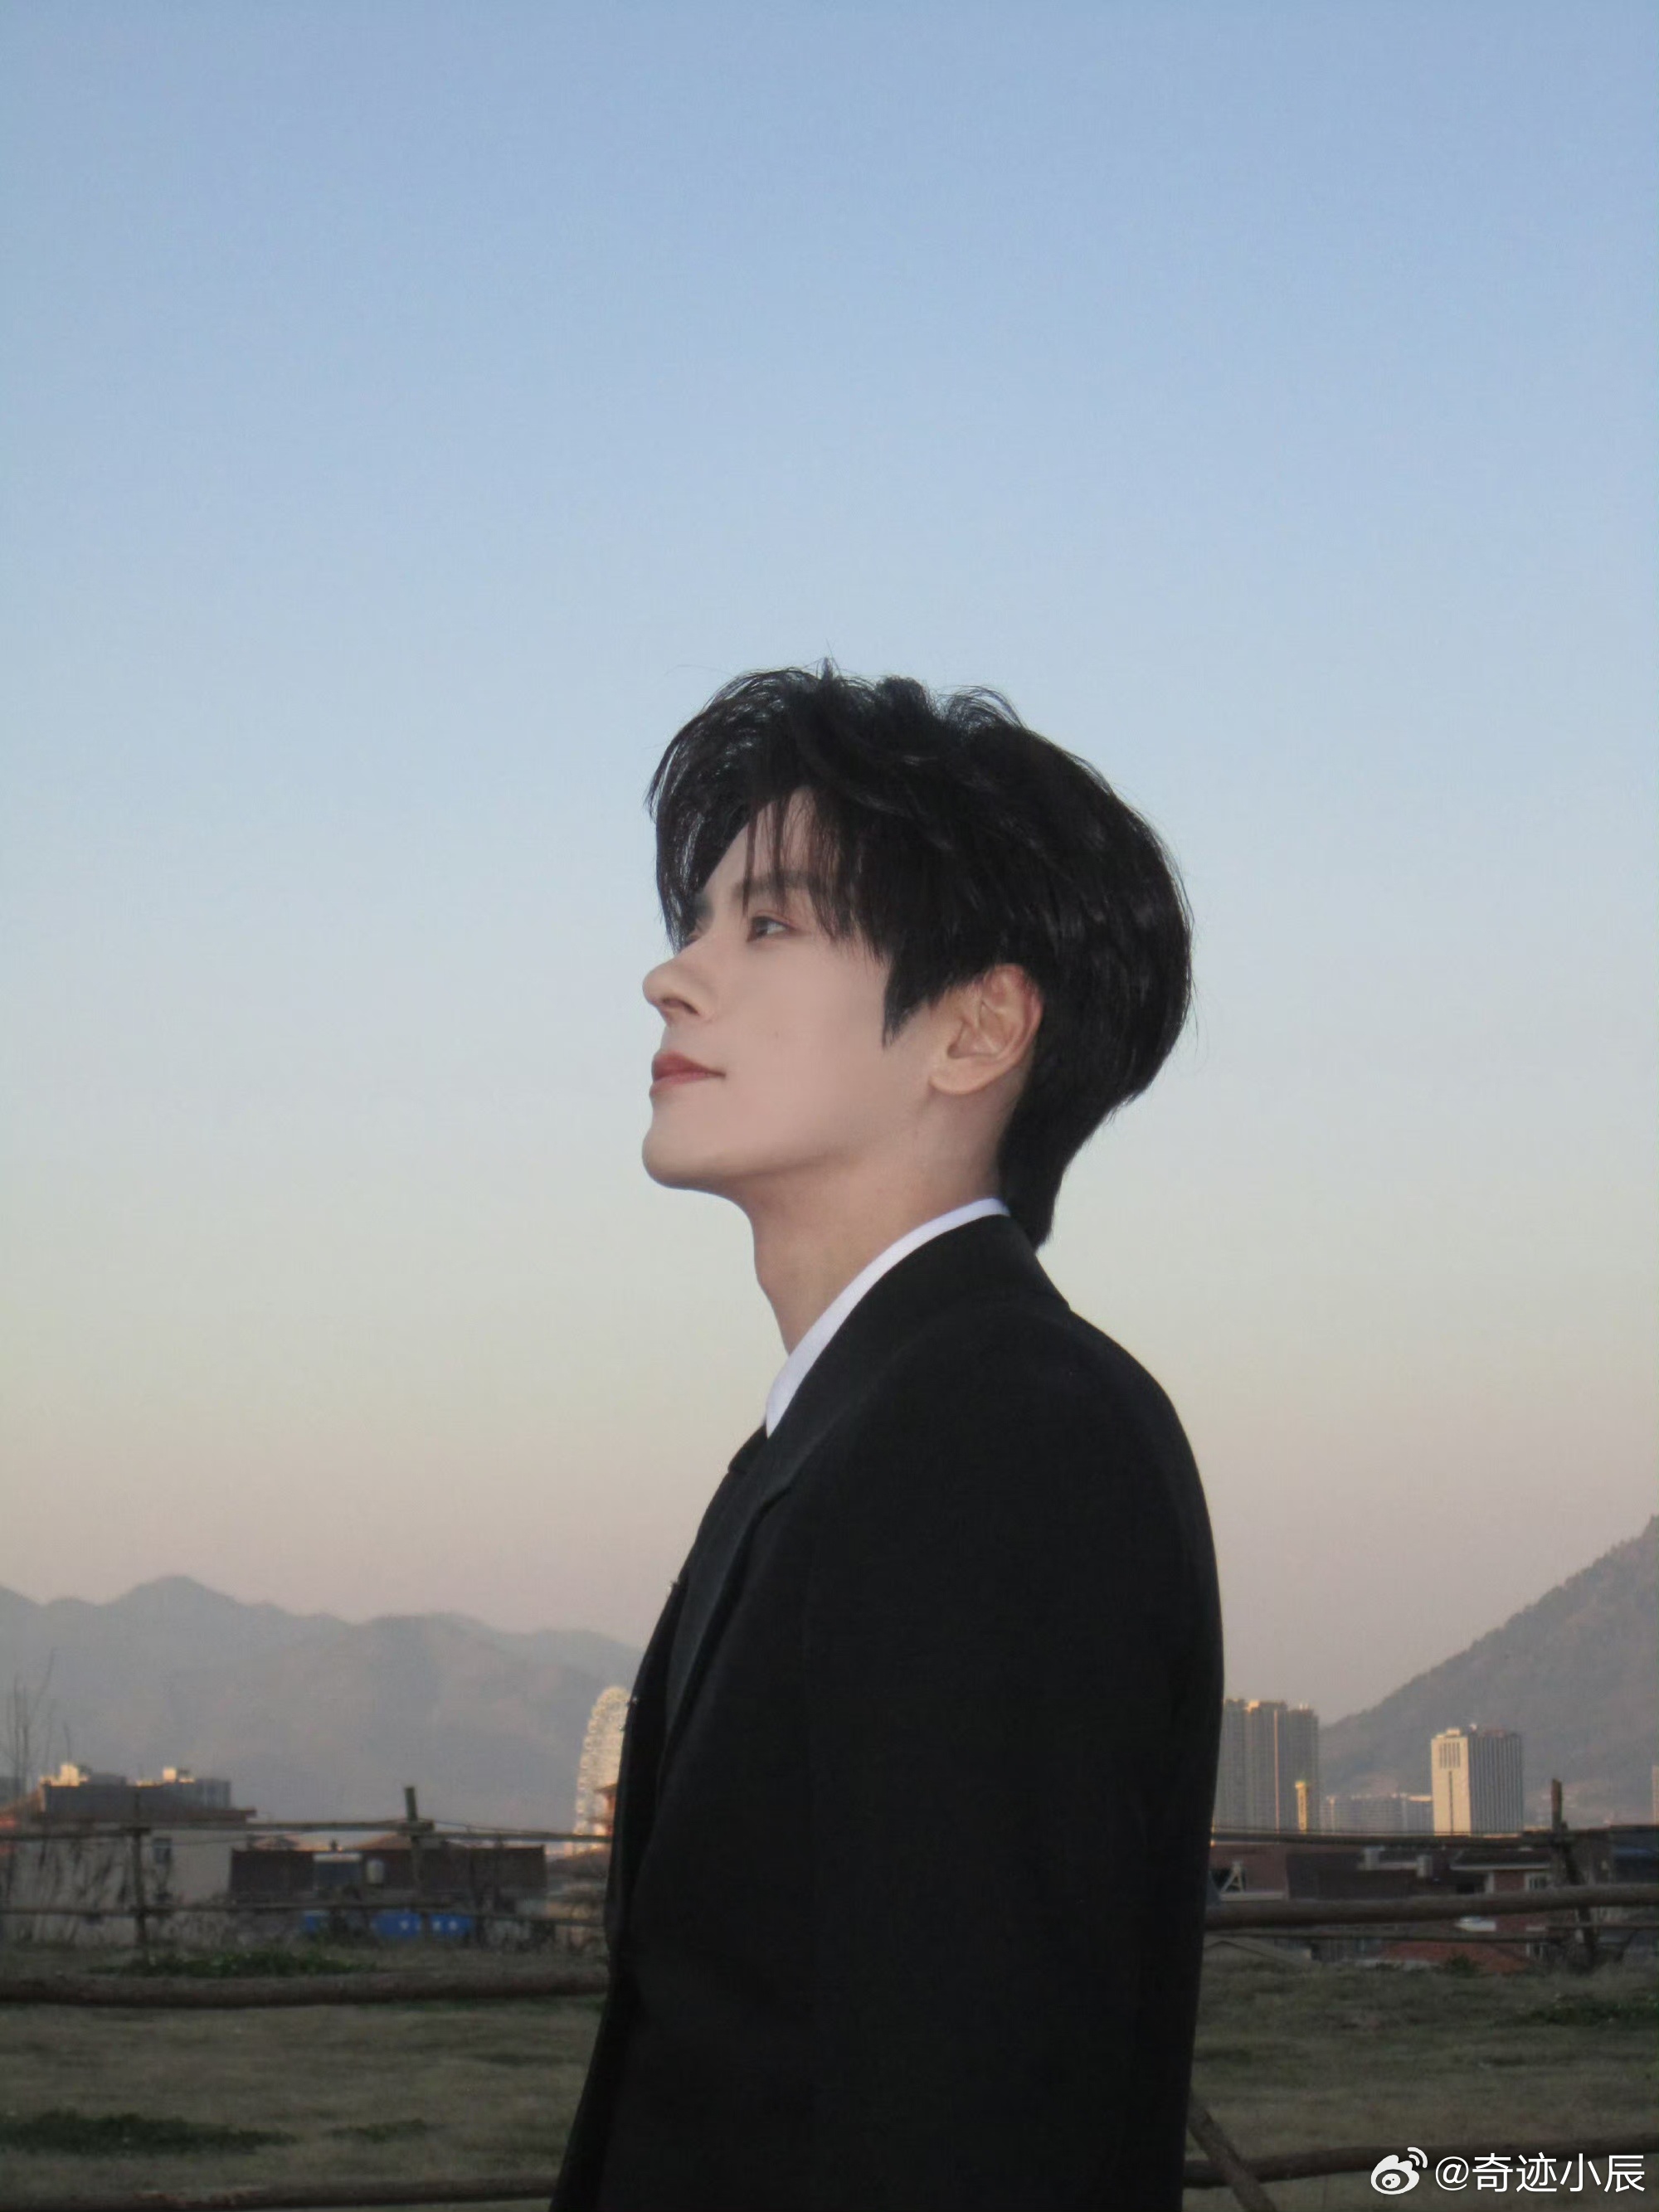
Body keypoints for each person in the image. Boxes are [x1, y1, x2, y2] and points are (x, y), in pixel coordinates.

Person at [551, 666, 1223, 2212]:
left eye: (768, 924)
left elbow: (978, 2102)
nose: (672, 976)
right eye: (697, 919)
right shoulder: (857, 1421)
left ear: (977, 1028)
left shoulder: (1004, 1434)